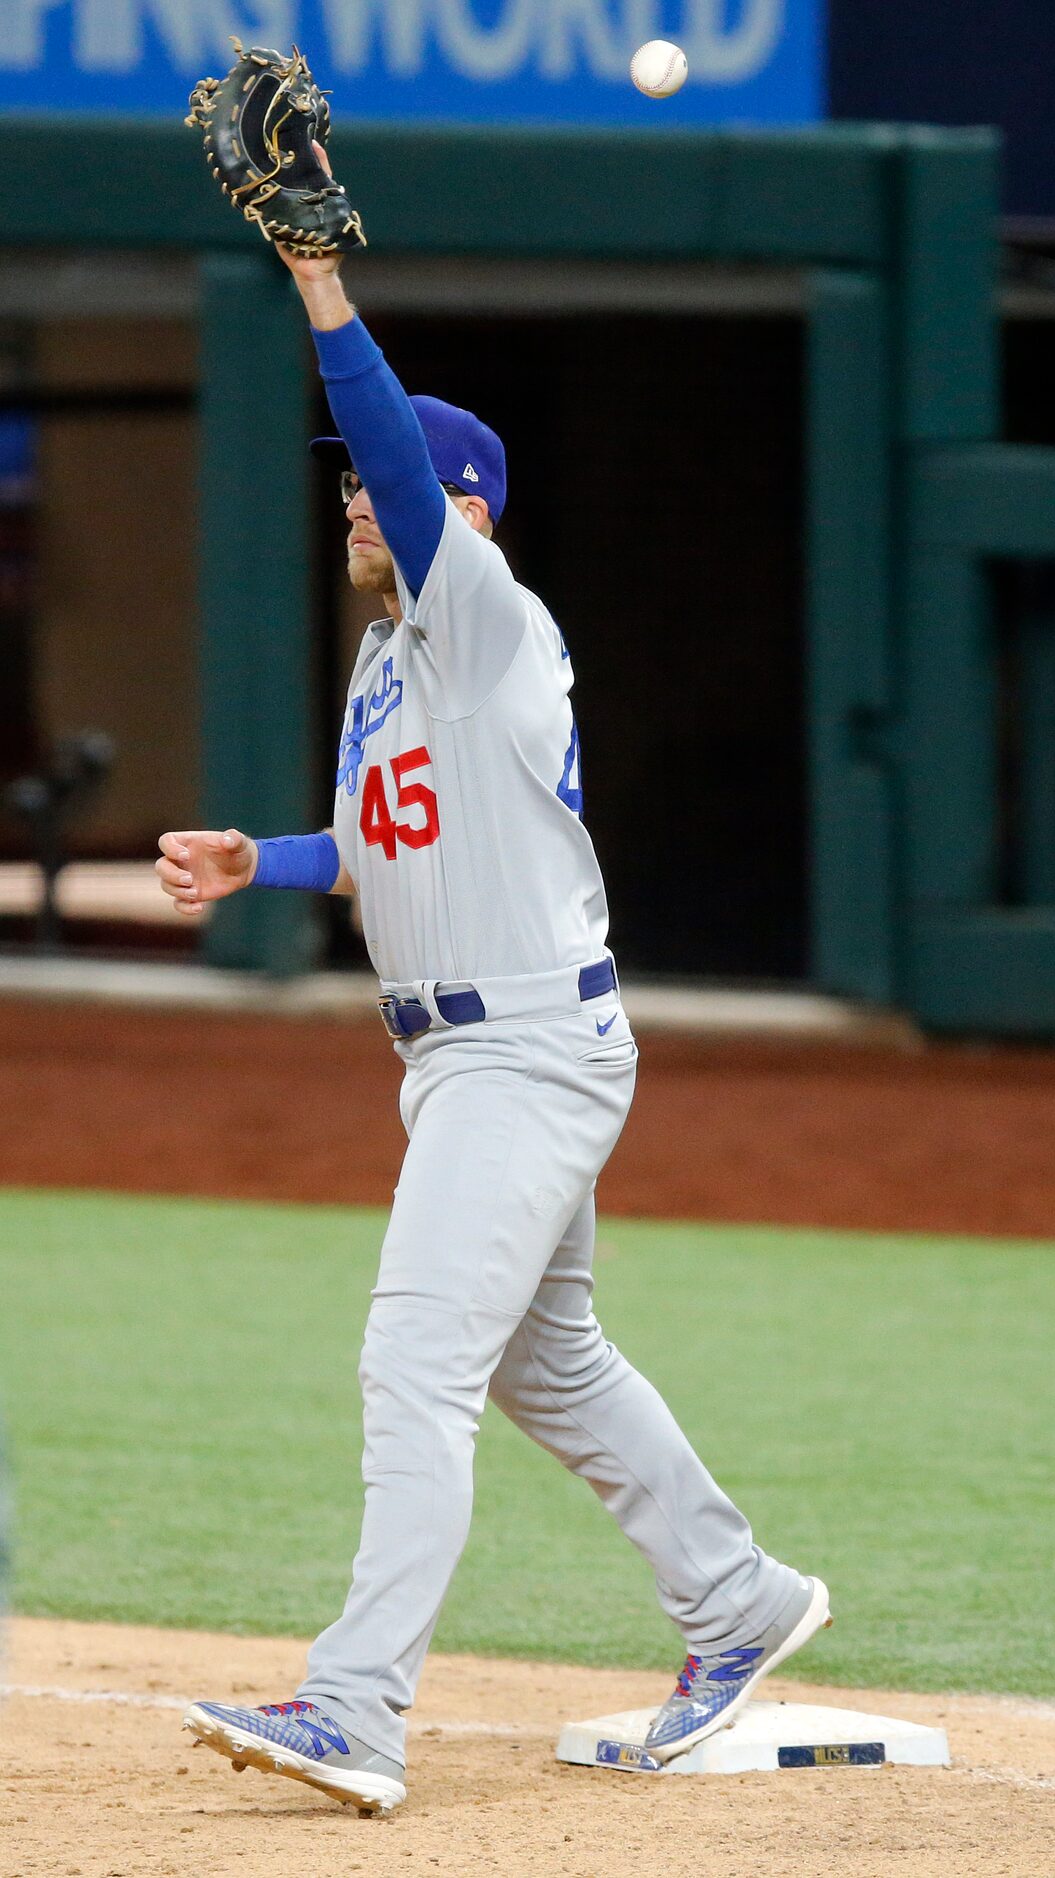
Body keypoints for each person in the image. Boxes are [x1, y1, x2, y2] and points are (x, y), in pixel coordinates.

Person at [155, 237, 828, 1815]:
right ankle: (736, 1600)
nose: (348, 503)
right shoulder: (394, 664)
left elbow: (388, 437)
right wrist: (268, 858)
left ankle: (355, 1703)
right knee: (550, 1362)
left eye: (373, 487)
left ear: (460, 512)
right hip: (468, 1057)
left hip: (523, 1050)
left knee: (414, 1364)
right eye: (337, 491)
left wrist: (319, 284)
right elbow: (372, 847)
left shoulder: (487, 618)